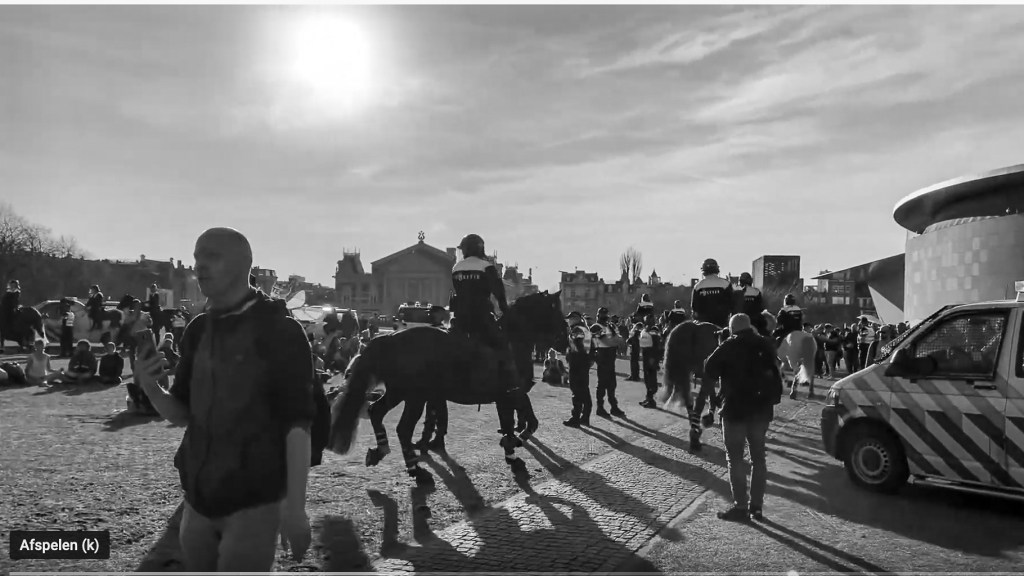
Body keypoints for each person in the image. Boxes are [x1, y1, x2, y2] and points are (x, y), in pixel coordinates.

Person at [133, 227, 314, 571]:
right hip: (197, 503)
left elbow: (298, 425)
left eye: (211, 256)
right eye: (197, 257)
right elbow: (184, 415)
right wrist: (151, 386)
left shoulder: (280, 331)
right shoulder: (199, 328)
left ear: (244, 264)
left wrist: (294, 507)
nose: (199, 266)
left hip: (253, 502)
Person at [703, 313, 782, 522]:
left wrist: (723, 345)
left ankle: (740, 506)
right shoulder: (766, 344)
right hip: (761, 409)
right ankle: (757, 507)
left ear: (732, 329)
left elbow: (709, 369)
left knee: (735, 459)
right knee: (758, 458)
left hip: (735, 409)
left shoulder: (729, 345)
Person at [448, 233, 517, 393]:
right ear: (480, 248)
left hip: (460, 320)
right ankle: (509, 382)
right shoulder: (486, 267)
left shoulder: (456, 268)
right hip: (481, 318)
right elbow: (499, 293)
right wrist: (505, 311)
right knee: (502, 346)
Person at [590, 306, 625, 418]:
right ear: (598, 315)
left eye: (606, 314)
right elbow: (604, 341)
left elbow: (620, 339)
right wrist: (615, 341)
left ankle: (614, 407)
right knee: (602, 385)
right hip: (602, 357)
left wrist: (615, 341)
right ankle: (600, 408)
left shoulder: (610, 326)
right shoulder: (596, 327)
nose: (604, 316)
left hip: (610, 357)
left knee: (612, 385)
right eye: (602, 314)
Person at [562, 325, 593, 428]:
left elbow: (576, 349)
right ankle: (584, 417)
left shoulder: (579, 331)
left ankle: (576, 419)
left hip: (577, 367)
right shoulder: (584, 331)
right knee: (584, 393)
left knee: (577, 393)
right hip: (580, 366)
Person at [691, 258, 734, 329]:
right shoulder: (726, 284)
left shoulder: (697, 286)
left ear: (703, 270)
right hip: (722, 324)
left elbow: (694, 308)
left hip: (703, 325)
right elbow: (732, 305)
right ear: (717, 269)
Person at [639, 322, 662, 408]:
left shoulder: (653, 330)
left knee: (651, 379)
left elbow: (657, 346)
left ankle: (651, 400)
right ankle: (648, 398)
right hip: (646, 355)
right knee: (647, 378)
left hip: (651, 357)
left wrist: (654, 359)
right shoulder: (645, 329)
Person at [1, 279, 21, 353]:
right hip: (4, 308)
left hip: (10, 309)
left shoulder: (16, 292)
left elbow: (14, 302)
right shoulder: (8, 292)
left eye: (14, 285)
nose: (12, 286)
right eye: (11, 285)